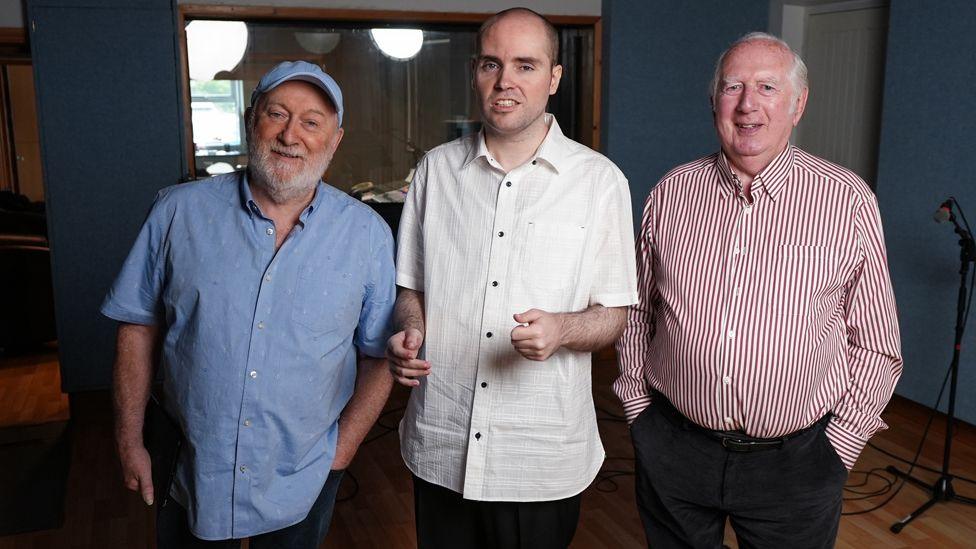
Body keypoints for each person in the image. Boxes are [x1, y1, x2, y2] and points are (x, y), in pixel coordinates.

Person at [615, 32, 903, 548]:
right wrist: (639, 409)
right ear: (713, 102)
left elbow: (878, 343)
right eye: (733, 87)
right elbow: (638, 312)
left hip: (797, 464)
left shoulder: (847, 200)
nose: (748, 105)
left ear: (798, 104)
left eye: (768, 87)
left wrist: (841, 443)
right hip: (676, 448)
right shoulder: (670, 192)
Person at [101, 60, 396, 548]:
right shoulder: (176, 212)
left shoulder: (366, 234)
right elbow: (137, 329)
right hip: (190, 462)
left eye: (311, 122)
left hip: (305, 471)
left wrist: (340, 452)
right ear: (249, 120)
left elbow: (379, 353)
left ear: (335, 139)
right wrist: (129, 440)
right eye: (276, 114)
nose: (290, 135)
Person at [385, 7, 638, 549]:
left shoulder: (600, 182)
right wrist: (409, 331)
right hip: (441, 441)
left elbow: (614, 316)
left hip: (539, 455)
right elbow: (412, 288)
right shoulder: (434, 171)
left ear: (554, 78)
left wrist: (562, 330)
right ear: (475, 72)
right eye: (491, 64)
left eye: (526, 65)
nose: (505, 82)